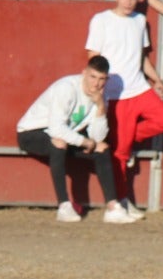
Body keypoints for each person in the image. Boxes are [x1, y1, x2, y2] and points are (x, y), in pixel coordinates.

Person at [85, 0, 163, 219]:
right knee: (121, 153)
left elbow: (141, 56)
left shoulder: (140, 20)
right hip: (116, 93)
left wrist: (156, 79)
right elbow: (93, 56)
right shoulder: (101, 20)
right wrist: (97, 88)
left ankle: (127, 140)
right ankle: (122, 200)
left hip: (139, 87)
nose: (128, 2)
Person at [16, 56, 122, 222]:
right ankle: (64, 206)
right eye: (93, 77)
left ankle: (113, 207)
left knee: (102, 148)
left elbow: (98, 137)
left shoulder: (101, 97)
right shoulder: (67, 88)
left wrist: (101, 107)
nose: (96, 84)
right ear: (84, 73)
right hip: (31, 133)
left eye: (102, 79)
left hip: (66, 135)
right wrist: (85, 142)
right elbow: (56, 128)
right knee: (59, 142)